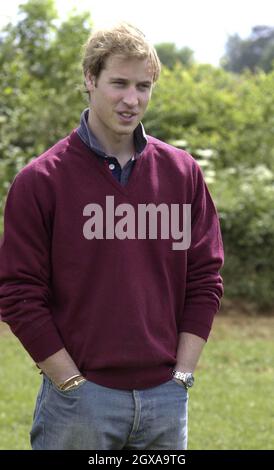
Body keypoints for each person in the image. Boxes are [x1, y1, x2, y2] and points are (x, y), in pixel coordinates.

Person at [0, 22, 224, 450]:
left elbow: (205, 277)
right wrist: (69, 382)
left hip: (165, 400)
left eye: (143, 86)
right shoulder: (41, 181)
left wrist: (181, 376)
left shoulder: (181, 174)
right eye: (118, 83)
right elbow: (18, 293)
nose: (132, 99)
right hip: (81, 404)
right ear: (90, 79)